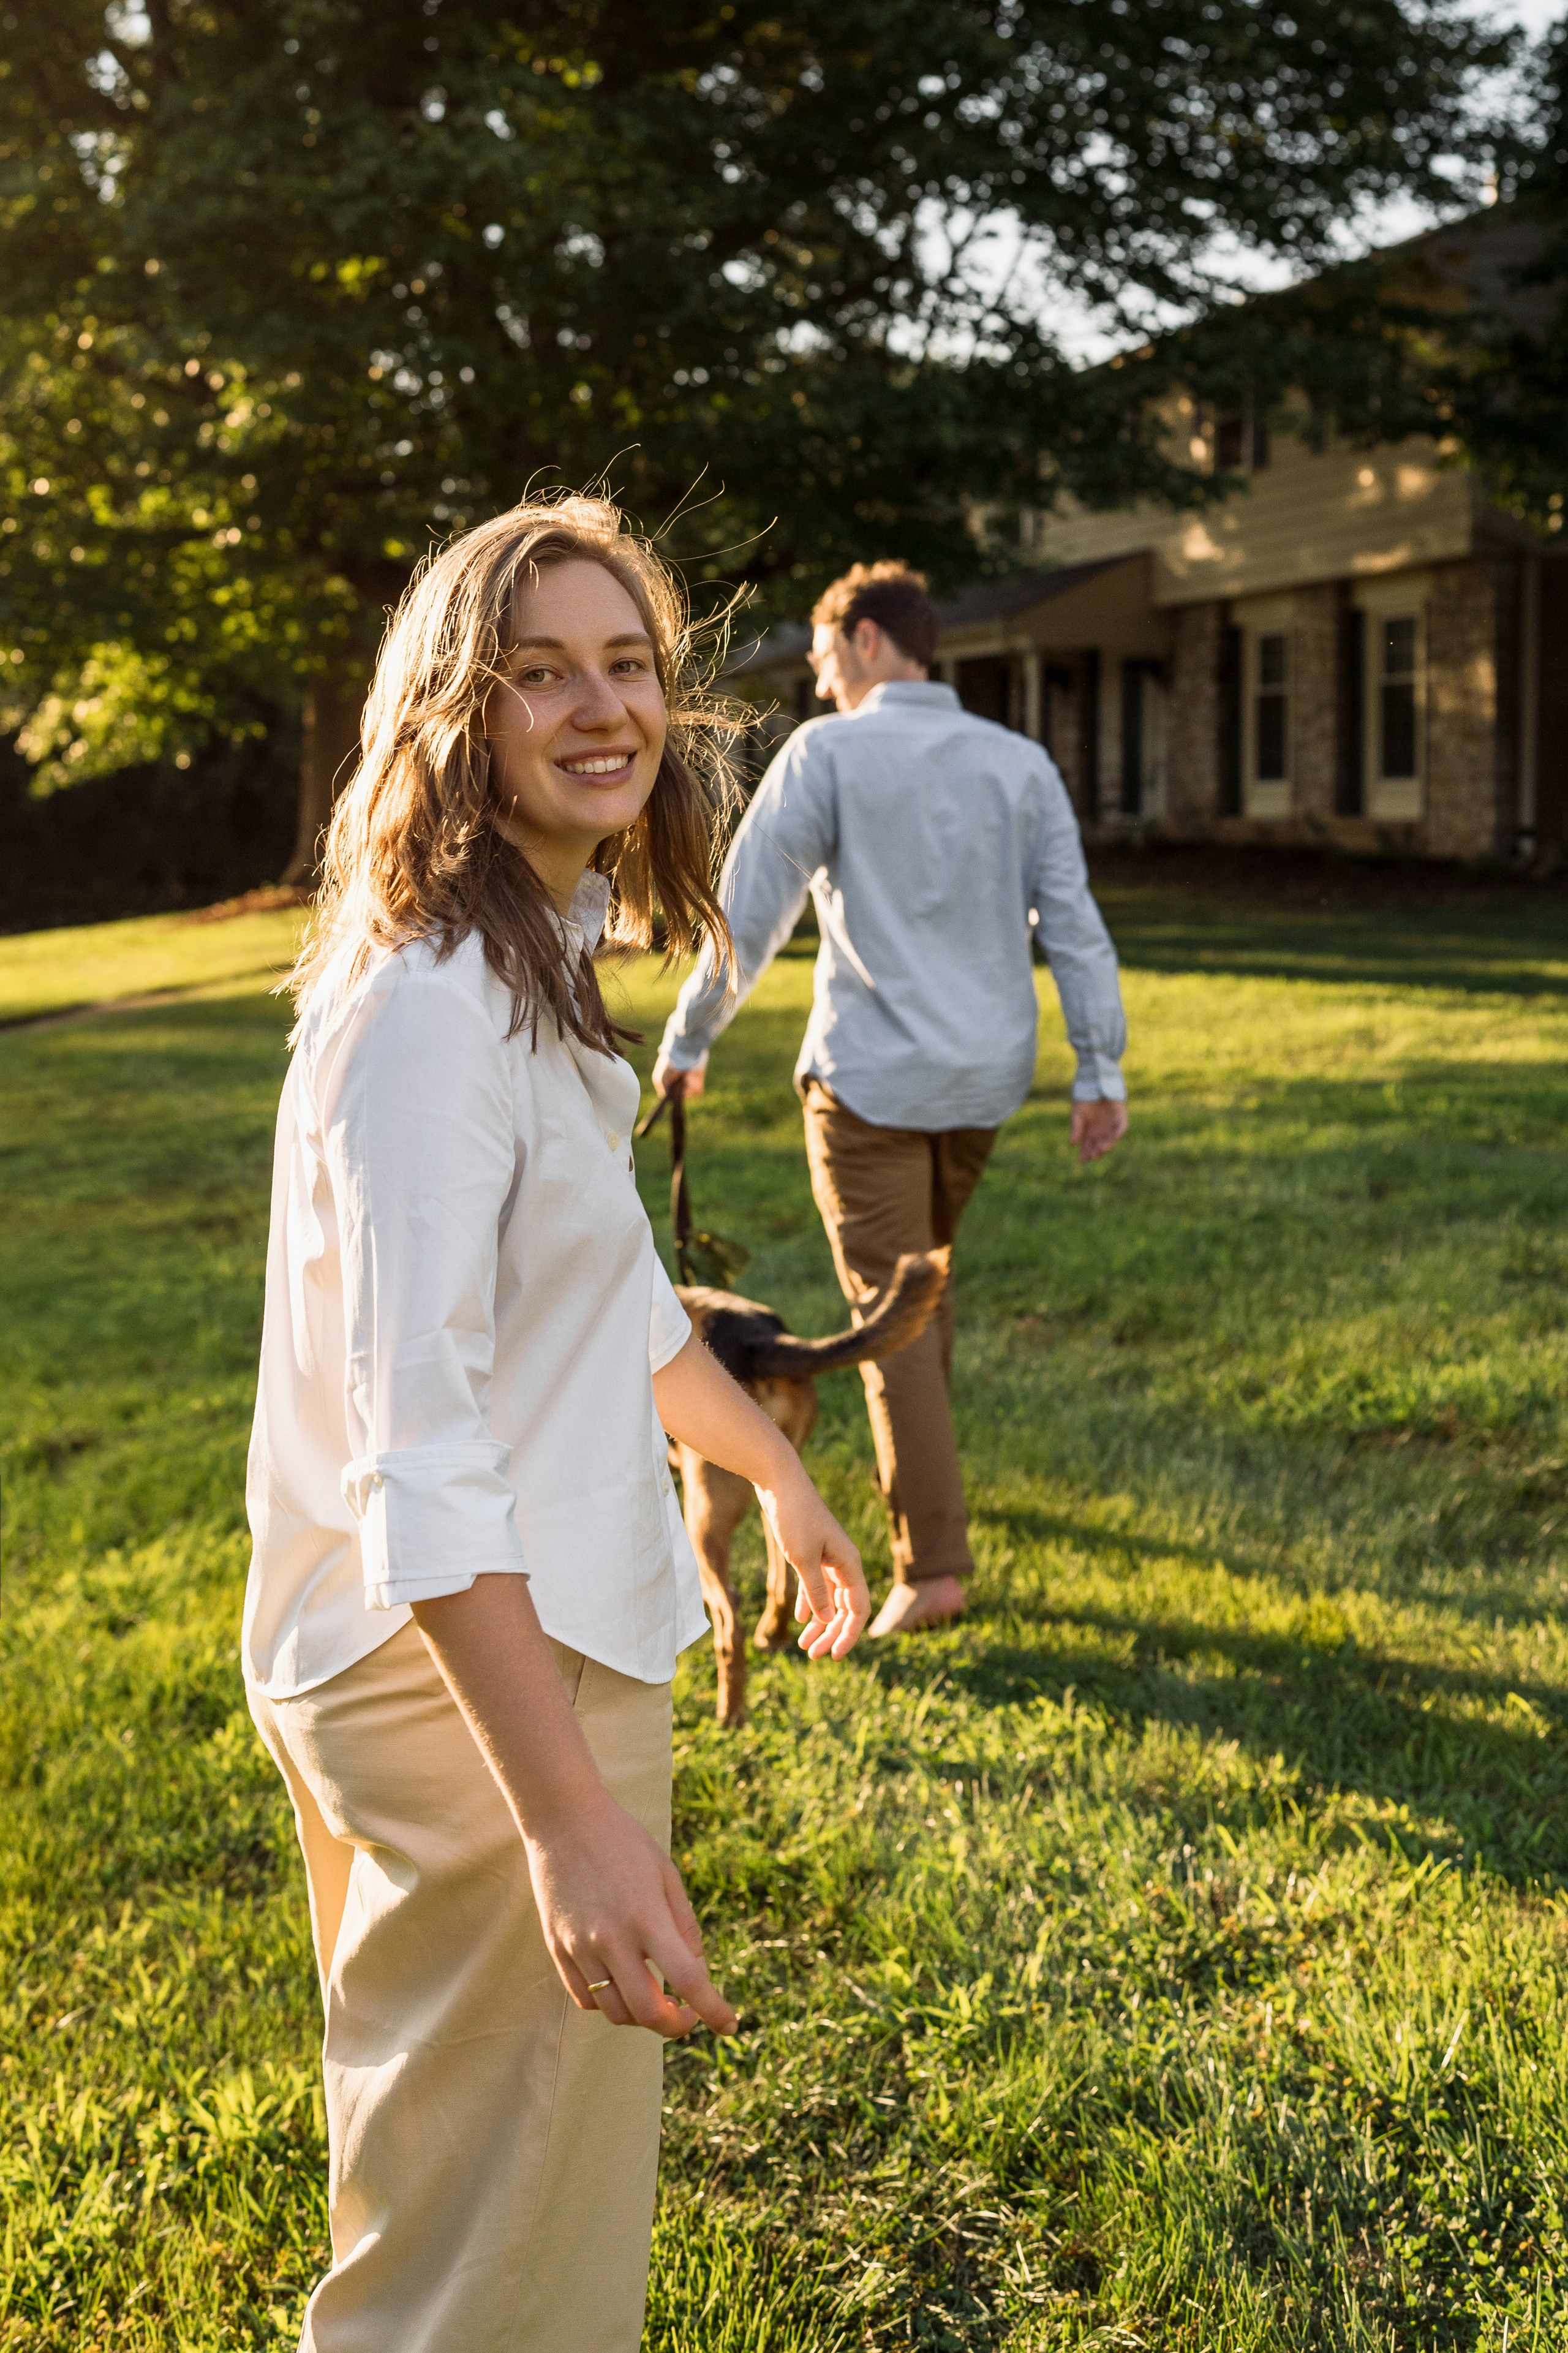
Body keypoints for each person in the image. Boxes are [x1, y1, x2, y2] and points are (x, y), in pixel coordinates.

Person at [242, 496, 869, 2353]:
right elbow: (423, 1456)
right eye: (540, 671)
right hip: (481, 1682)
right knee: (488, 2275)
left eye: (628, 664)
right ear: (455, 714)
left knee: (450, 2204)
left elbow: (596, 1304)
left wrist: (772, 1466)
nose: (604, 708)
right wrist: (571, 1822)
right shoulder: (435, 1012)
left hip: (465, 1652)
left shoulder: (517, 962)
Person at [652, 560, 1126, 1639]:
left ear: (868, 639)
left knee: (891, 1316)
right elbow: (1075, 923)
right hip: (984, 1082)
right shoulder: (1021, 763)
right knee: (923, 1288)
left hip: (868, 1084)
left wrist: (688, 1038)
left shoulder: (827, 753)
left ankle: (933, 1566)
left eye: (825, 658)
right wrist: (1099, 1069)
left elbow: (749, 911)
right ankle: (930, 1487)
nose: (821, 684)